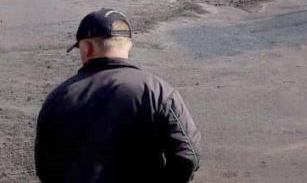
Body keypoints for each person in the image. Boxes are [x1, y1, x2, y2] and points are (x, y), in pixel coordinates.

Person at [35, 9, 201, 183]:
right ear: (129, 45)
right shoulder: (158, 91)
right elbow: (188, 154)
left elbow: (45, 166)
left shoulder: (59, 97)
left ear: (88, 48)